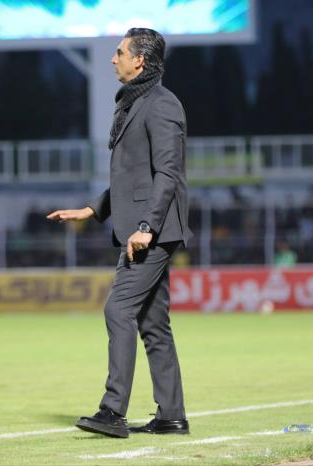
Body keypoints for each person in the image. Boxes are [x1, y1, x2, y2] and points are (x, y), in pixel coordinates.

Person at [47, 28, 192, 439]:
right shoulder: (136, 102)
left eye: (119, 52)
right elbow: (132, 177)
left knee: (118, 309)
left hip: (152, 230)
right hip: (142, 227)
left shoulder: (162, 104)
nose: (113, 59)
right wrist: (93, 209)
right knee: (153, 323)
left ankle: (113, 411)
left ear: (139, 60)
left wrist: (147, 227)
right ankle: (172, 415)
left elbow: (167, 173)